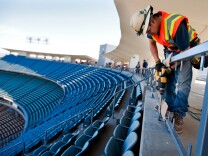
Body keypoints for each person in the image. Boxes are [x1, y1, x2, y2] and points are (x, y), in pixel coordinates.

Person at [130, 5, 200, 133]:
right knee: (167, 81)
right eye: (147, 32)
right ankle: (168, 106)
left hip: (187, 49)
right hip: (172, 50)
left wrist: (171, 66)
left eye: (149, 30)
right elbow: (152, 43)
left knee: (183, 83)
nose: (149, 34)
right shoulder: (152, 29)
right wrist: (158, 62)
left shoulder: (175, 24)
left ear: (153, 20)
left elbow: (184, 52)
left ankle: (179, 114)